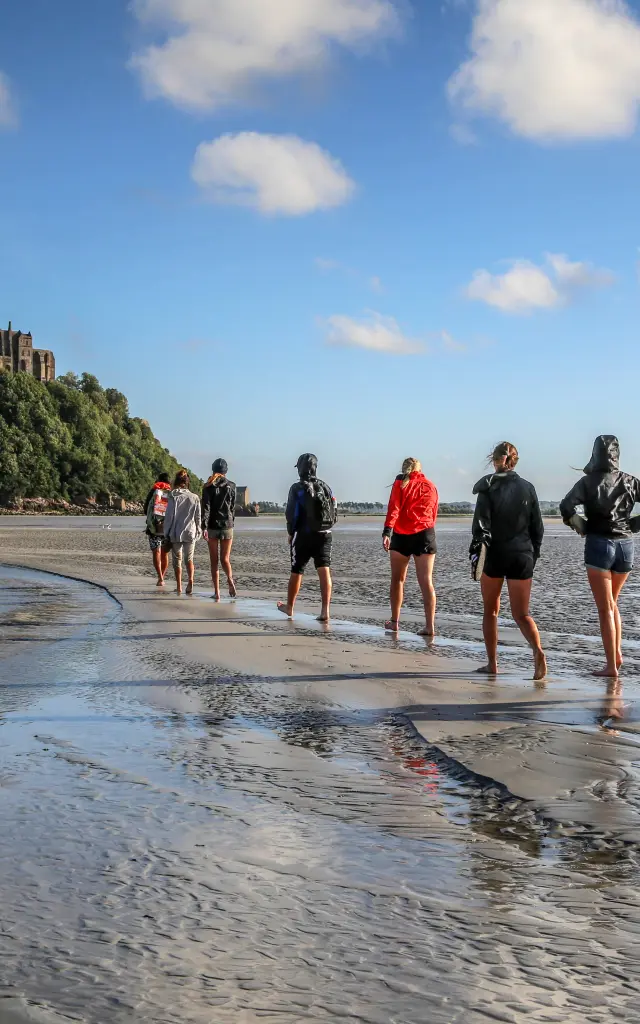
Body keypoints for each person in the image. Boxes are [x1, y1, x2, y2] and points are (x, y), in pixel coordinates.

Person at [560, 435, 640, 679]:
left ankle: (611, 667)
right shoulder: (630, 480)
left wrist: (580, 525)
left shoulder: (587, 482)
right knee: (613, 604)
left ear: (595, 453)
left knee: (605, 608)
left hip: (599, 544)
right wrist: (633, 525)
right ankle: (616, 655)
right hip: (626, 545)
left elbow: (566, 506)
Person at [470, 442, 547, 681]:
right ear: (515, 461)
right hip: (522, 555)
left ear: (495, 460)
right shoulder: (528, 487)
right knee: (522, 613)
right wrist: (533, 555)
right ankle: (537, 651)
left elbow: (480, 527)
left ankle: (492, 663)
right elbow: (538, 528)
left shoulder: (487, 487)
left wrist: (476, 553)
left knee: (490, 611)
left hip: (495, 554)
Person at [382, 458, 439, 636]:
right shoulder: (430, 485)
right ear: (420, 469)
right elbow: (434, 511)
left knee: (398, 580)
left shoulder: (400, 482)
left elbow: (394, 507)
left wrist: (387, 532)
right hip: (425, 534)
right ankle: (430, 626)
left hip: (401, 534)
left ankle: (395, 622)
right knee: (426, 581)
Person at [277, 453, 337, 622]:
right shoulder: (326, 486)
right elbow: (334, 508)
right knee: (324, 569)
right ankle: (325, 611)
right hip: (325, 533)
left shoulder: (297, 488)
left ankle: (289, 607)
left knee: (297, 570)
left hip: (304, 534)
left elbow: (291, 514)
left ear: (300, 469)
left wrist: (291, 532)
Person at [201, 459, 237, 601]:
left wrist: (204, 527)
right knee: (225, 559)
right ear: (225, 471)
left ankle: (217, 593)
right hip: (227, 525)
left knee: (214, 561)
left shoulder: (208, 486)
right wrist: (231, 522)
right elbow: (232, 508)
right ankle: (230, 579)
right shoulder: (232, 486)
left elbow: (206, 508)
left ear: (213, 469)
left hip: (212, 526)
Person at [163, 470, 202, 595]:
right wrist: (199, 530)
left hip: (176, 532)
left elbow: (169, 517)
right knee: (189, 559)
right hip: (190, 531)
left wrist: (166, 532)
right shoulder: (194, 497)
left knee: (177, 560)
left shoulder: (173, 496)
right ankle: (190, 580)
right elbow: (198, 516)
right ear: (187, 482)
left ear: (176, 482)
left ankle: (179, 586)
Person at [144, 472, 172, 586]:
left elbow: (146, 509)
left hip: (154, 527)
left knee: (156, 552)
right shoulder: (171, 492)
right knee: (165, 553)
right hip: (167, 528)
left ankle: (160, 577)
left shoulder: (153, 491)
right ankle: (162, 577)